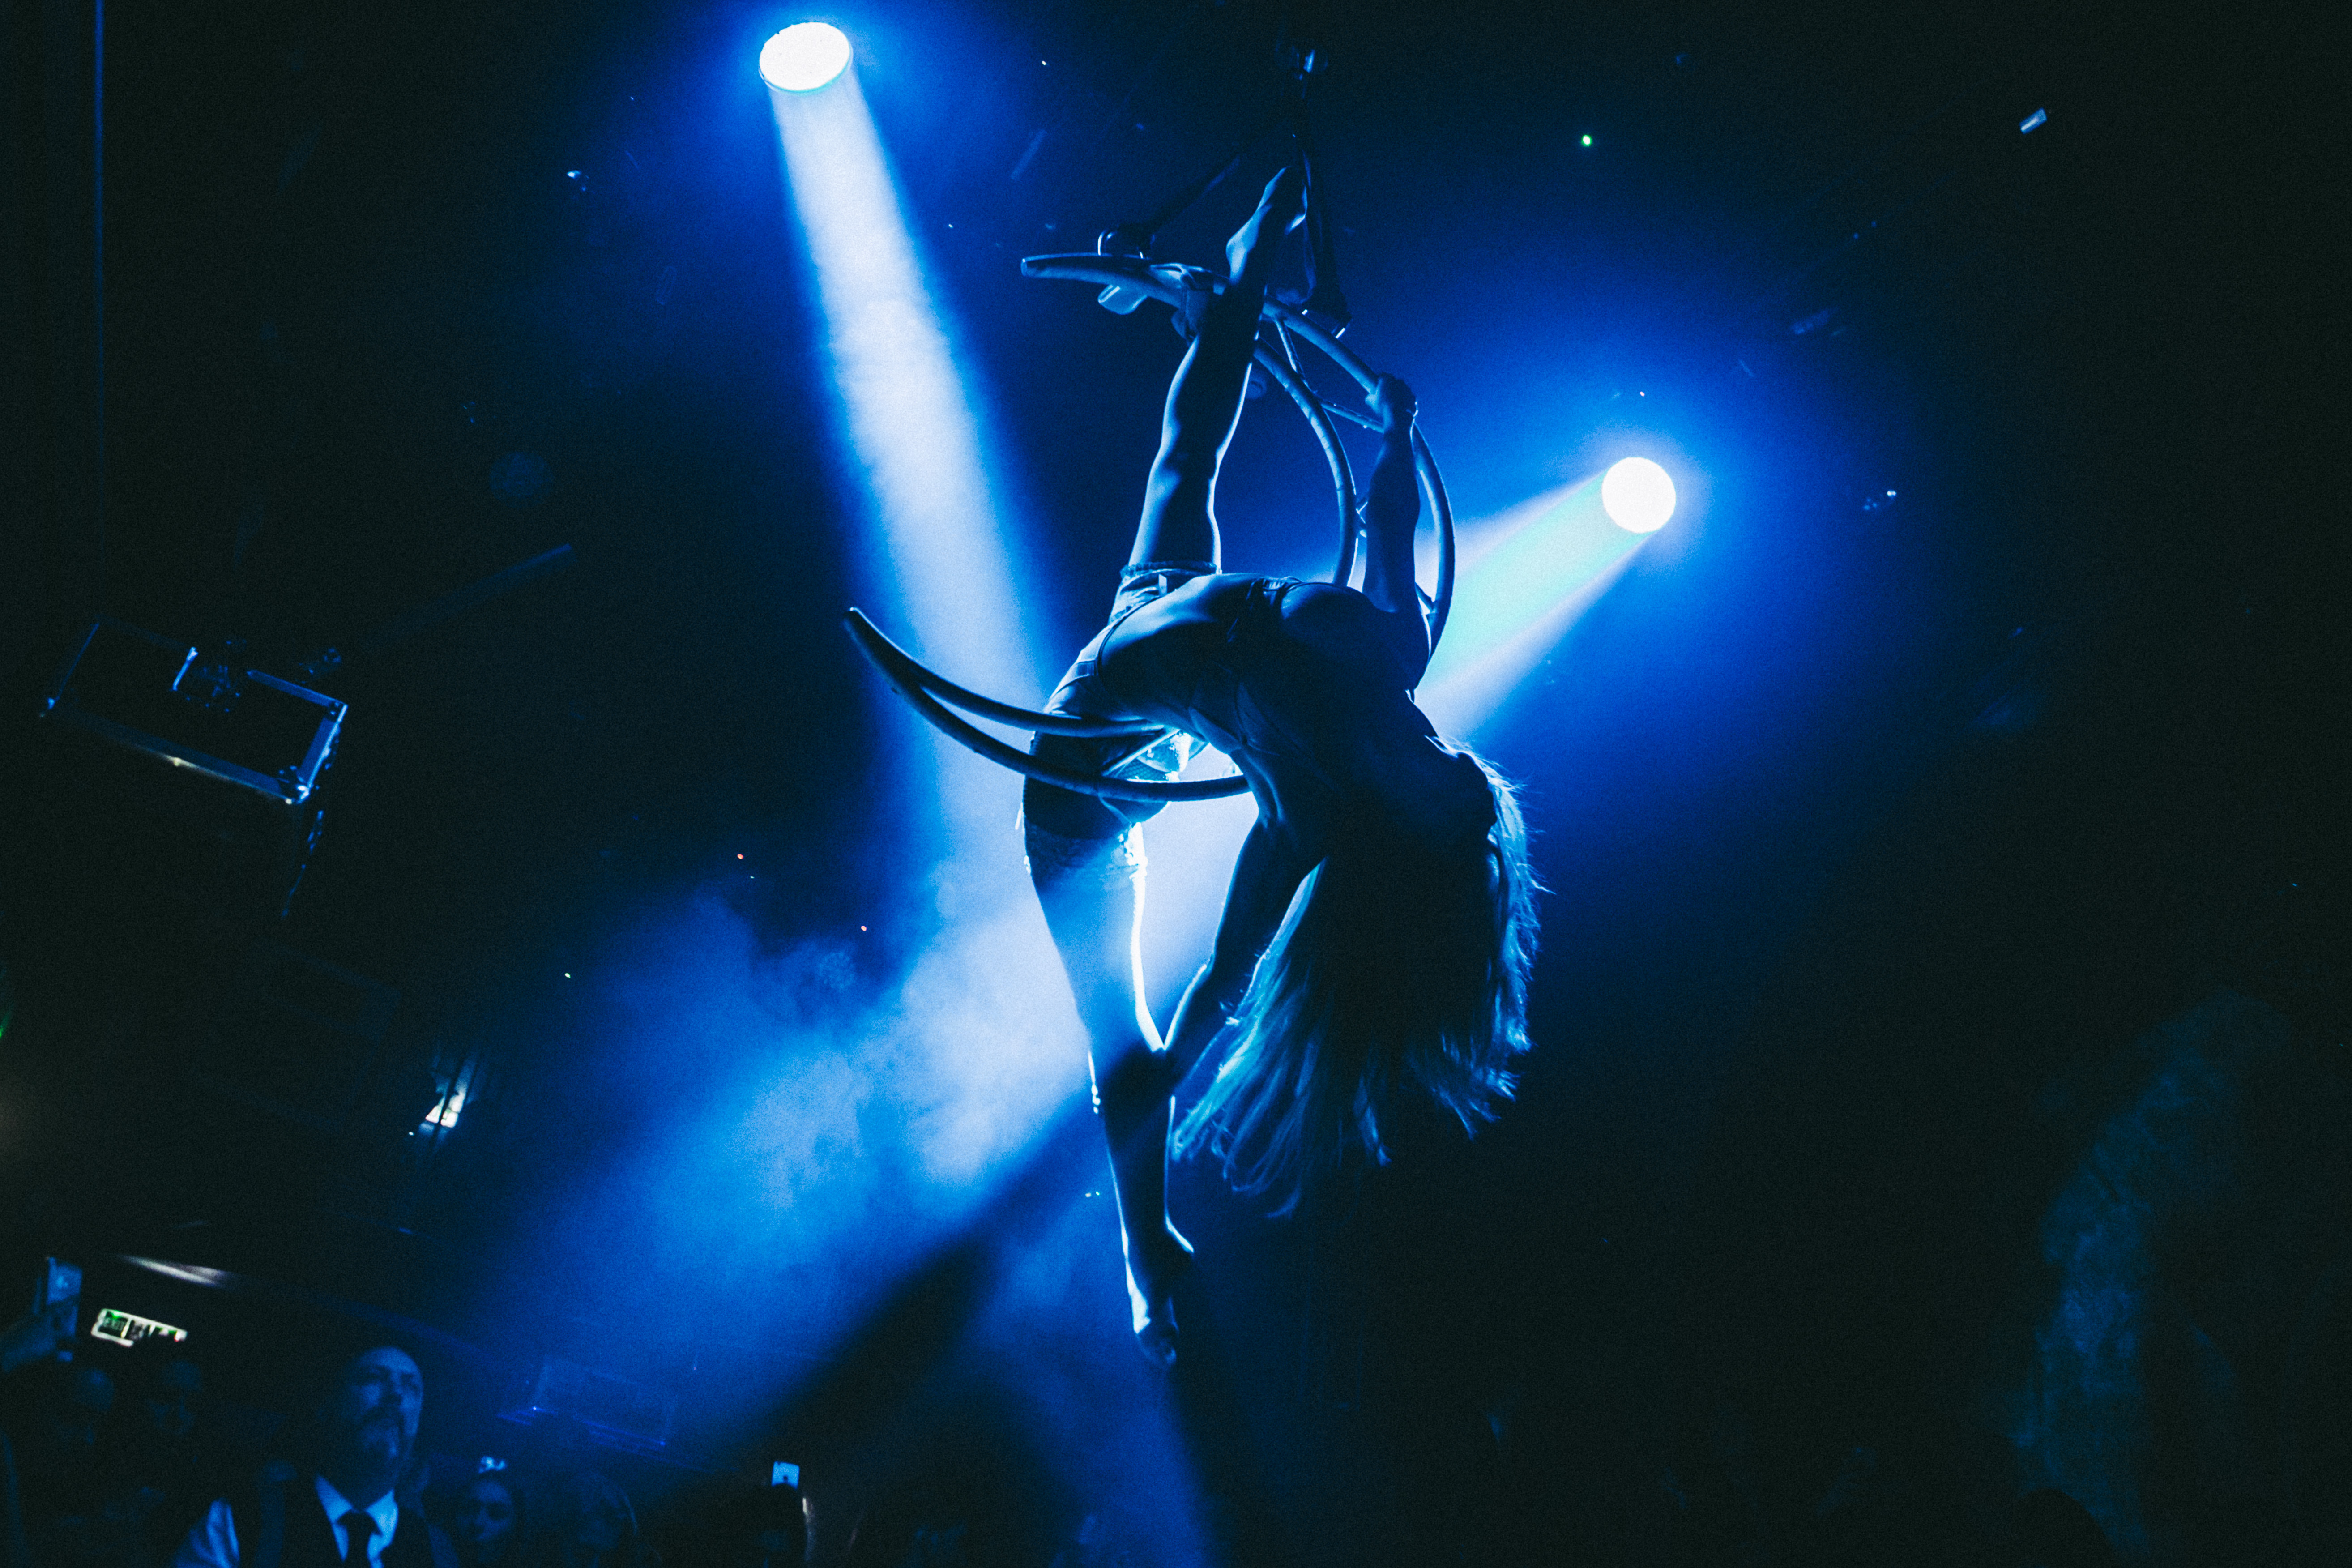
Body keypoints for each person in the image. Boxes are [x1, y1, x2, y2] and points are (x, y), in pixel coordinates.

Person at [1022, 167, 1540, 1362]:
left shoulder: (1301, 821)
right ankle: (1247, 257)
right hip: (1171, 615)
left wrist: (1197, 1039)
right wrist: (1392, 427)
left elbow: (1203, 1002)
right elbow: (1385, 523)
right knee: (1183, 459)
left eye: (1435, 773)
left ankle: (1142, 1245)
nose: (1441, 742)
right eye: (1457, 758)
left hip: (1079, 764)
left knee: (1129, 1052)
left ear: (1393, 817)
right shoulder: (1387, 655)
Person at [172, 1346, 457, 1568]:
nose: (395, 1393)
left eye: (411, 1387)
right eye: (374, 1378)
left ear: (418, 1421)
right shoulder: (241, 1519)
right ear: (330, 1406)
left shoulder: (438, 1552)